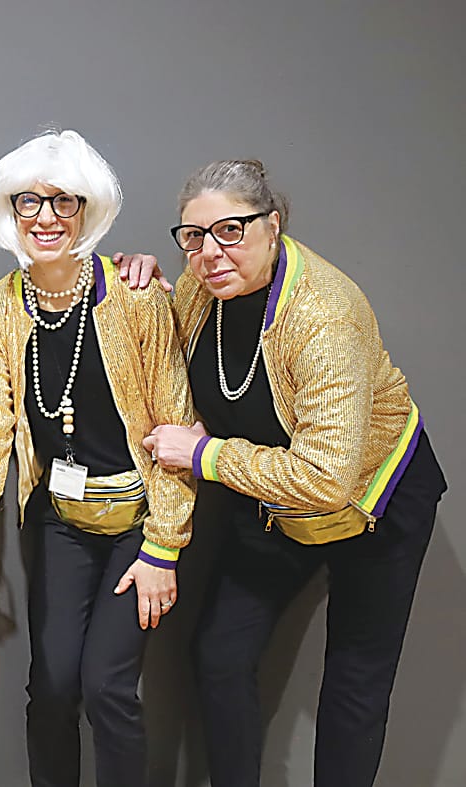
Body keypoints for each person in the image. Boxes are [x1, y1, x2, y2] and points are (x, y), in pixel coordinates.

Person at [147, 159, 446, 787]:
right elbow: (176, 342)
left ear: (272, 223)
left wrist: (206, 456)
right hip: (272, 497)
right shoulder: (205, 281)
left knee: (355, 682)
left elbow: (326, 478)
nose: (209, 252)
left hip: (375, 500)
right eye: (192, 236)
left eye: (231, 230)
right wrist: (142, 285)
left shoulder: (322, 315)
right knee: (220, 656)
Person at [0, 130, 195, 787]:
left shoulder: (135, 297)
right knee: (52, 684)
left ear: (88, 212)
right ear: (10, 210)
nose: (47, 218)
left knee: (107, 686)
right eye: (30, 202)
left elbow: (176, 424)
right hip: (59, 520)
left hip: (138, 524)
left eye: (64, 202)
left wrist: (165, 546)